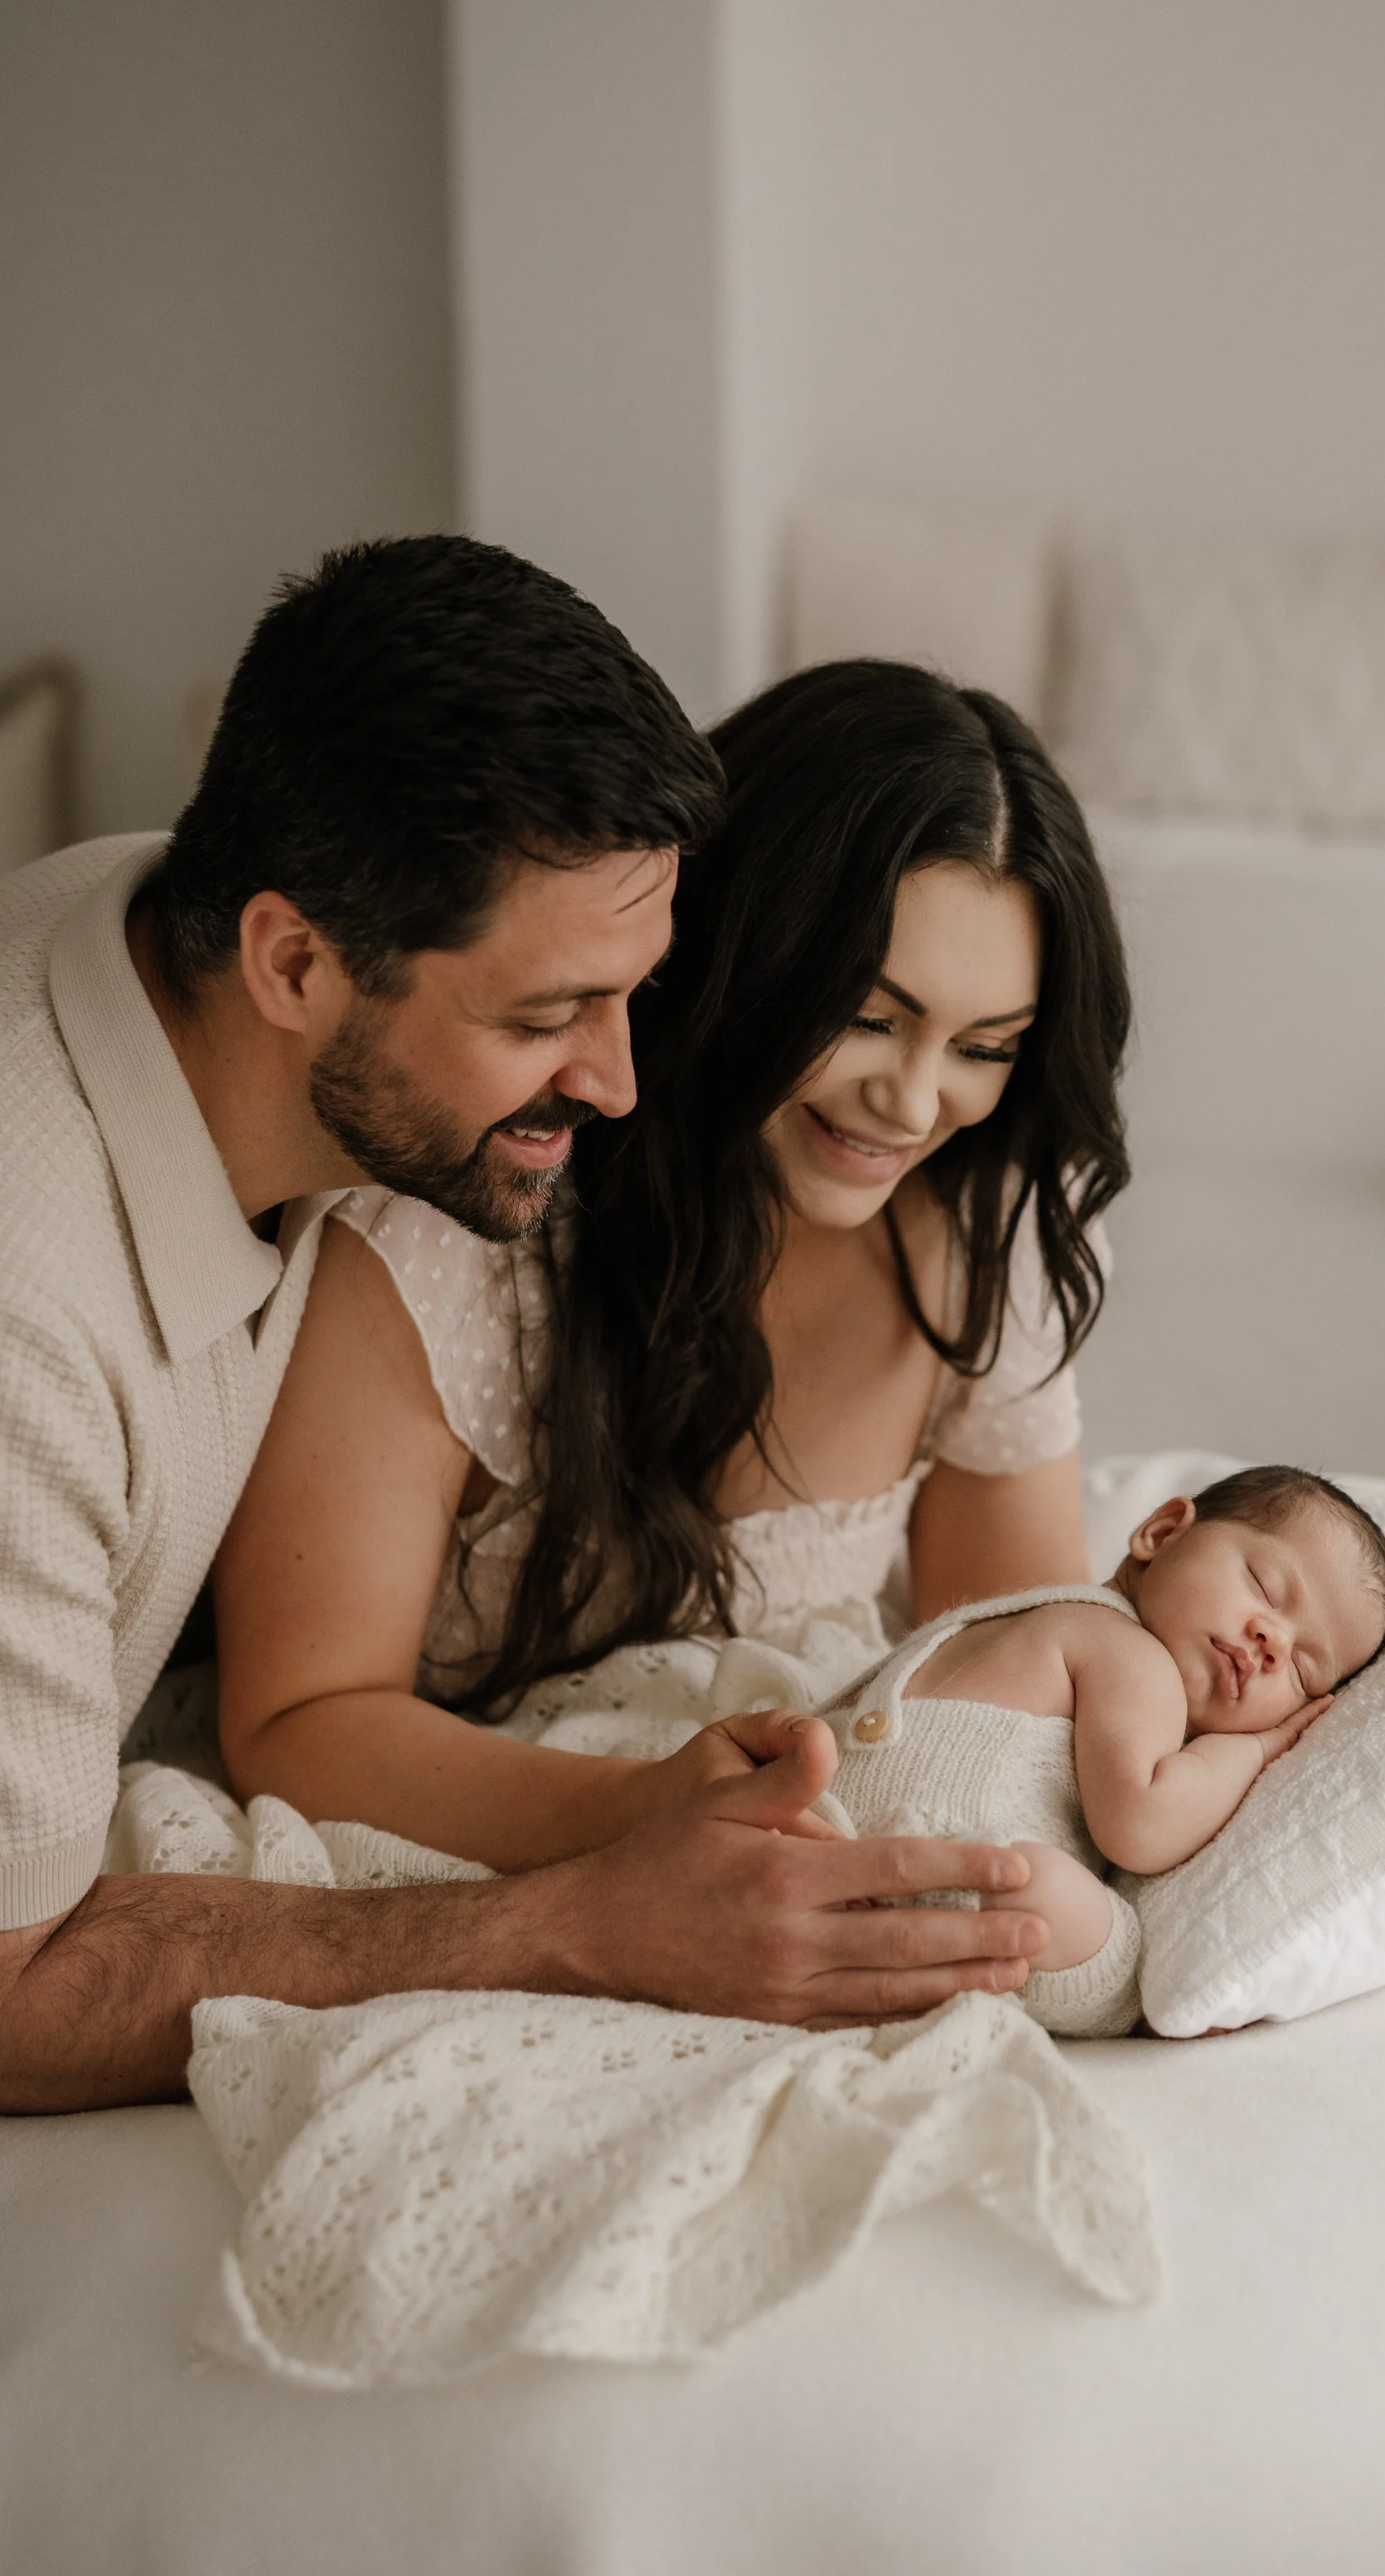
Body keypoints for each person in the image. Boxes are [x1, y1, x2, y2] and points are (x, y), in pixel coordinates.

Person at [0, 545, 1046, 2117]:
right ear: (292, 962)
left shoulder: (166, 910)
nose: (624, 1084)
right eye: (548, 1017)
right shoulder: (33, 1328)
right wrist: (586, 1920)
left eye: (635, 993)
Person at [215, 660, 1134, 1875]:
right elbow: (296, 1724)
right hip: (484, 1842)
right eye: (865, 1016)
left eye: (986, 1046)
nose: (913, 1103)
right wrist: (647, 1820)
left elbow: (1006, 1681)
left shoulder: (986, 1236)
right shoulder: (456, 1239)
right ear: (732, 953)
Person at [808, 1465, 1385, 2036]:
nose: (1272, 1641)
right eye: (1266, 1587)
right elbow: (1142, 1825)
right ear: (1163, 1533)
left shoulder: (1042, 1612)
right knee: (1083, 1919)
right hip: (933, 1864)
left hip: (810, 1828)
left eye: (1302, 1670)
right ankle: (1142, 2020)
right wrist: (1258, 1747)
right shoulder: (1131, 1654)